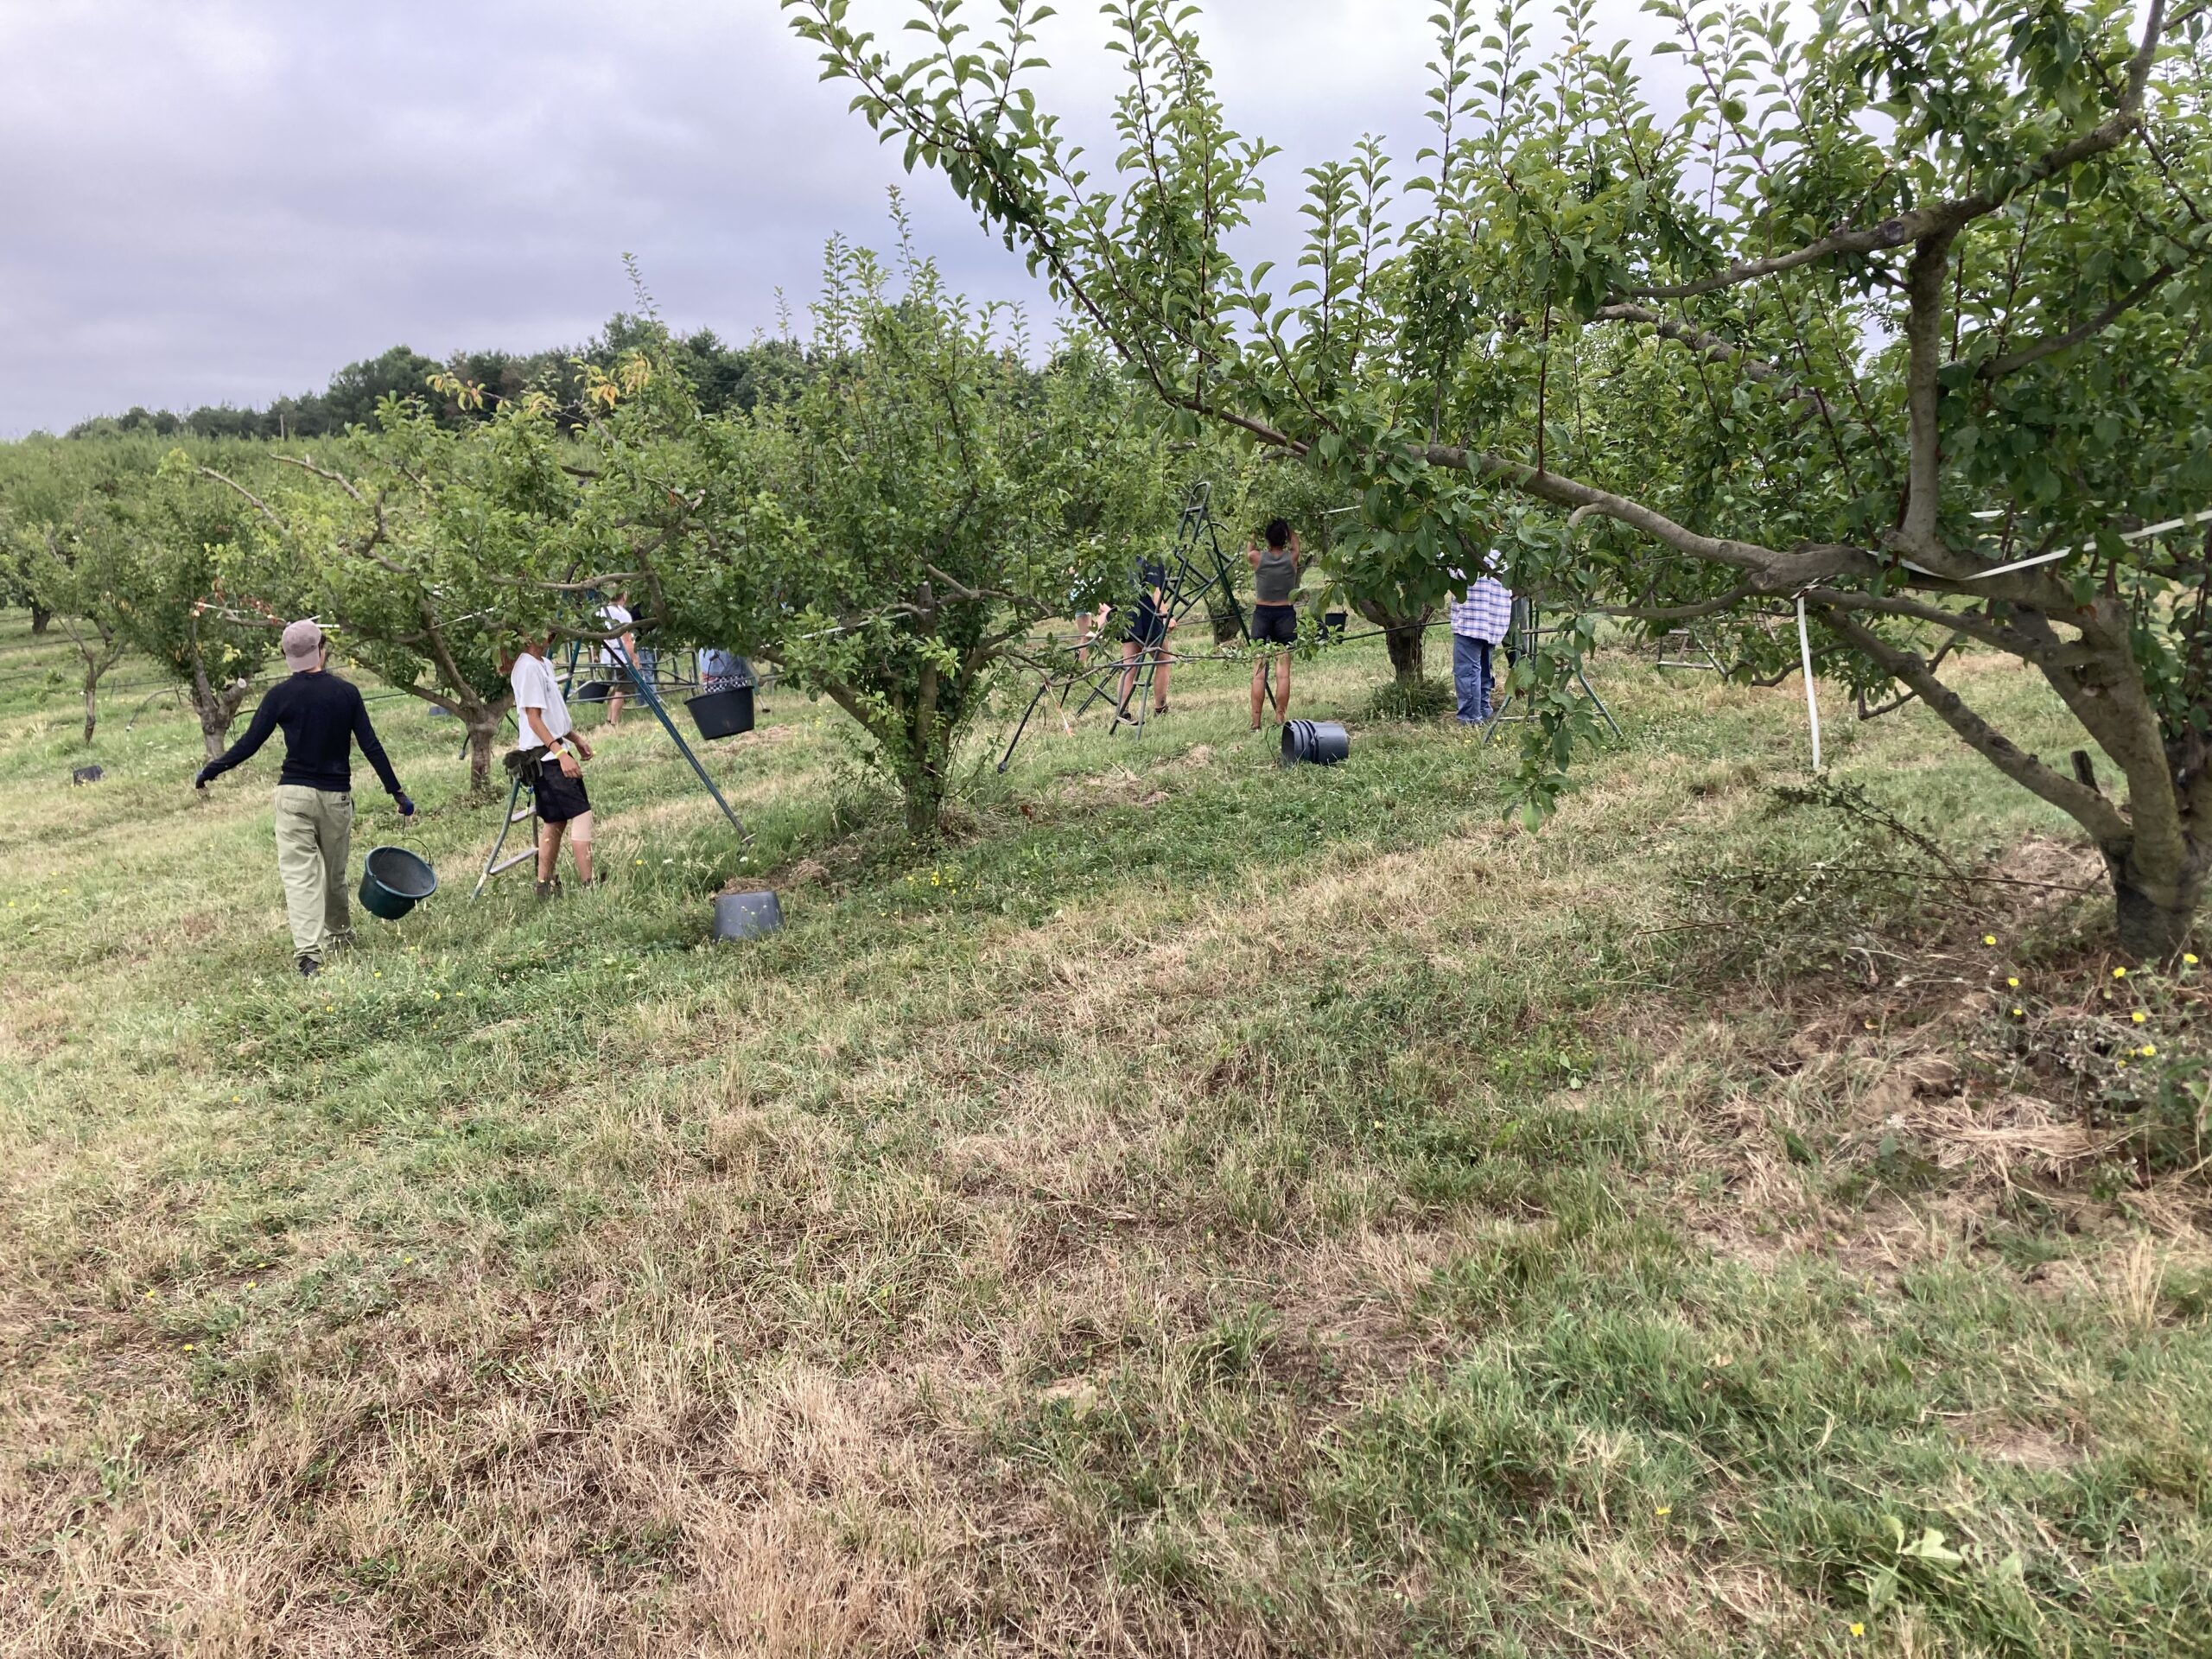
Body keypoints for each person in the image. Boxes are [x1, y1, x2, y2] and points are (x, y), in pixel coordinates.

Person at [194, 619, 415, 977]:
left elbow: (249, 744)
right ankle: (339, 935)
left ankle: (310, 955)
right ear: (322, 650)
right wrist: (397, 793)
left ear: (287, 656)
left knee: (300, 876)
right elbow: (371, 746)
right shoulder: (346, 693)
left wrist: (212, 770)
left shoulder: (279, 696)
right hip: (336, 797)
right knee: (334, 873)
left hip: (293, 796)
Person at [509, 630, 597, 899]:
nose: (550, 635)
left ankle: (543, 885)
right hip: (546, 757)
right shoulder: (527, 667)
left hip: (552, 750)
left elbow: (552, 715)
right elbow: (534, 719)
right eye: (543, 630)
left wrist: (575, 739)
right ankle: (589, 885)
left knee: (555, 821)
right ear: (526, 635)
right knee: (582, 815)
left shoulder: (544, 664)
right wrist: (560, 754)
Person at [1246, 518, 1301, 730]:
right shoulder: (1291, 558)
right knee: (1283, 672)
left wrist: (1255, 527)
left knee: (1259, 672)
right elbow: (1296, 544)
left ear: (1267, 539)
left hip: (1262, 614)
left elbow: (1250, 547)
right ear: (1284, 538)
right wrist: (1289, 527)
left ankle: (1256, 723)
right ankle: (1279, 718)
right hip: (1285, 614)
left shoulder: (1257, 558)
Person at [1447, 558, 1514, 723]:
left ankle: (1470, 718)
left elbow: (1460, 573)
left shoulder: (1468, 552)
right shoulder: (1504, 553)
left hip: (1472, 617)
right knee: (1484, 667)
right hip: (1496, 618)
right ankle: (1483, 710)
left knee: (1467, 670)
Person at [1116, 555, 1175, 721]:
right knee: (1163, 660)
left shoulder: (1123, 555)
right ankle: (1160, 708)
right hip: (1147, 615)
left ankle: (1122, 711)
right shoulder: (1151, 556)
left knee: (1129, 666)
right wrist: (1165, 616)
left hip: (1126, 615)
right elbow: (1154, 591)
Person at [598, 593, 639, 726]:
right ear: (624, 596)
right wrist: (634, 658)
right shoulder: (623, 614)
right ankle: (614, 722)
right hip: (620, 658)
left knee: (615, 689)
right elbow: (627, 640)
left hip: (606, 657)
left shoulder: (601, 611)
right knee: (622, 690)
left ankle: (609, 719)